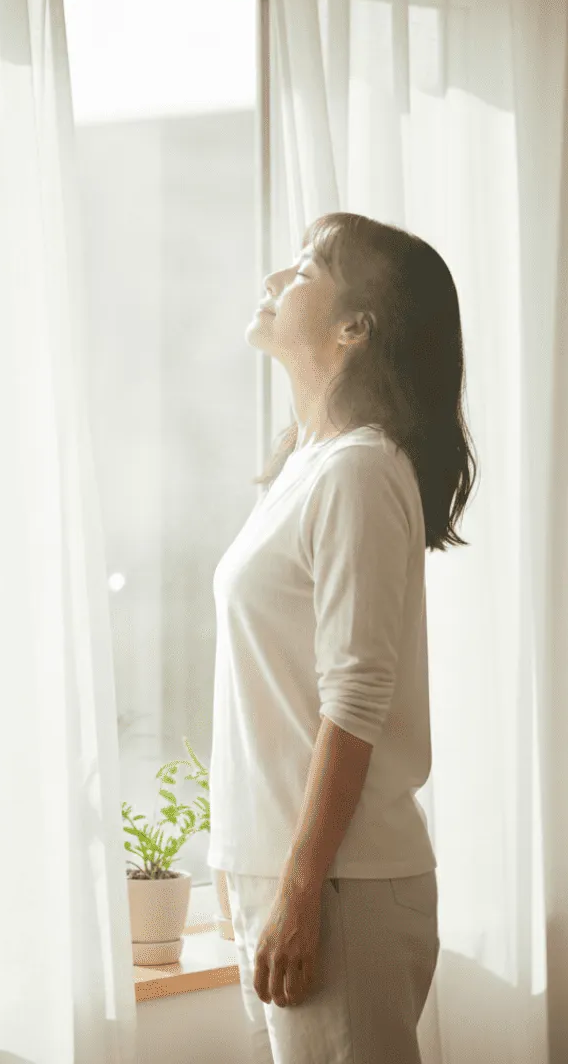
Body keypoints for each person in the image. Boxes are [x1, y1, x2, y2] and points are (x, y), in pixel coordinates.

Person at [206, 212, 477, 1064]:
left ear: (354, 328)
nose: (280, 279)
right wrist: (247, 870)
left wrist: (297, 892)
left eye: (306, 267)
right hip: (297, 875)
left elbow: (354, 701)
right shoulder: (308, 467)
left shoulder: (360, 469)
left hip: (339, 886)